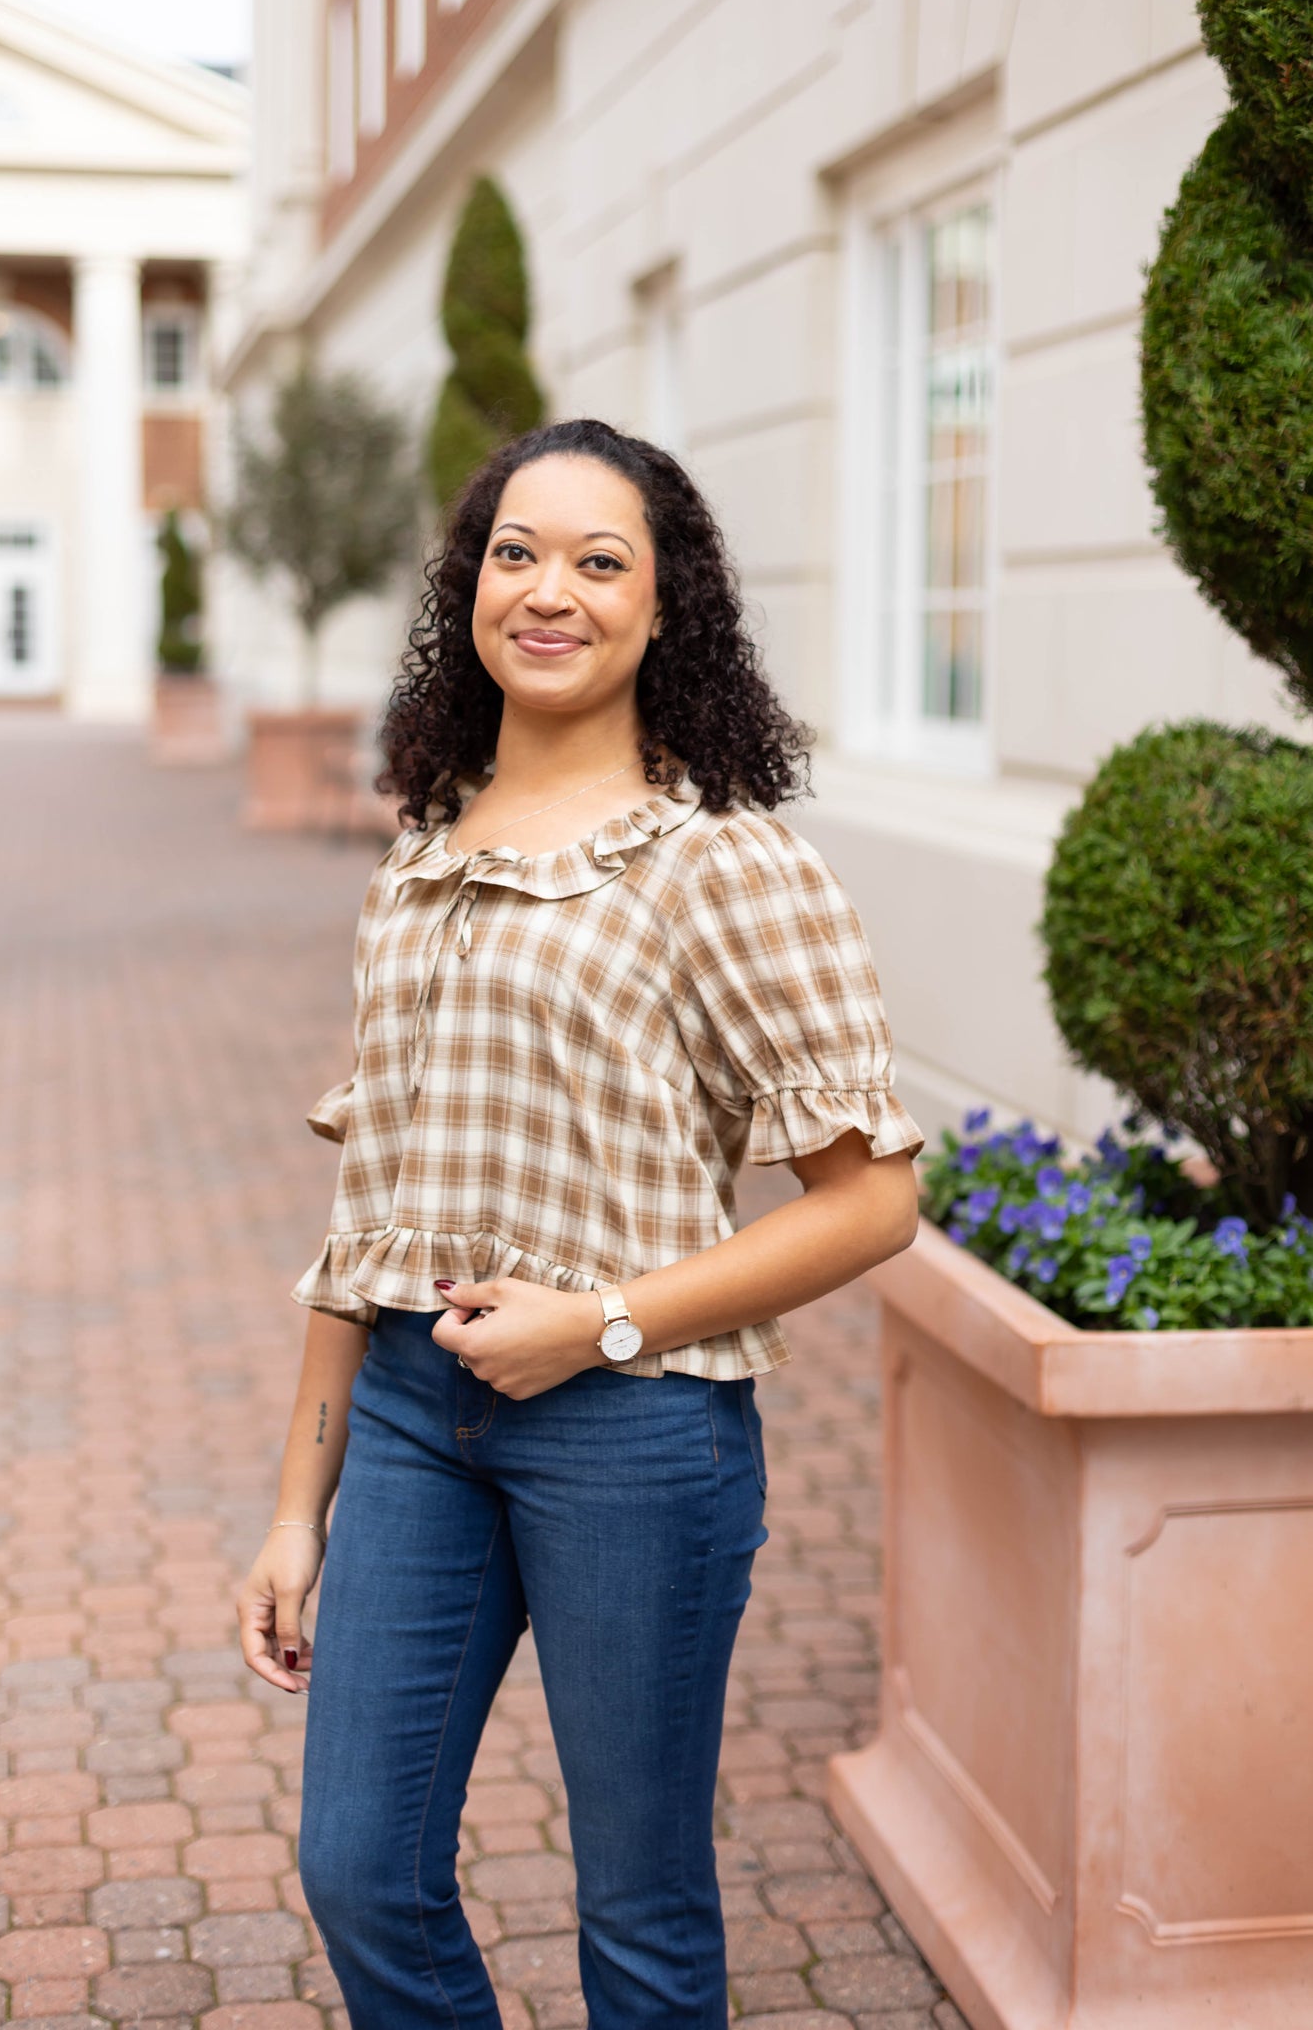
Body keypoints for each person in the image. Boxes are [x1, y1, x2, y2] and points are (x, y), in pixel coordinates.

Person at [236, 419, 924, 2029]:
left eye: (599, 562)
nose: (549, 592)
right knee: (358, 1868)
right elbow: (370, 1206)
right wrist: (294, 1509)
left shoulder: (722, 863)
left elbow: (875, 1200)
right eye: (515, 554)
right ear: (469, 587)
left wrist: (599, 1321)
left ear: (666, 605)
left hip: (637, 1433)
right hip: (411, 1414)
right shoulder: (421, 853)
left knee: (639, 1908)